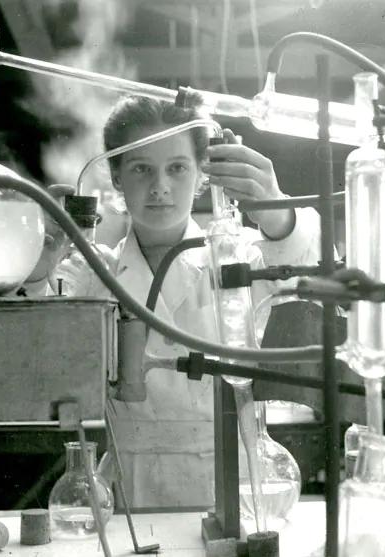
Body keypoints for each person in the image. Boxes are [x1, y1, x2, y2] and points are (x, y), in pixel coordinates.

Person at [59, 95, 323, 509]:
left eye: (177, 168)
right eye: (141, 168)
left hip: (230, 490)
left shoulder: (240, 259)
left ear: (203, 174)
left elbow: (312, 277)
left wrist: (276, 213)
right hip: (128, 493)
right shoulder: (94, 274)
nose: (160, 186)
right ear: (115, 176)